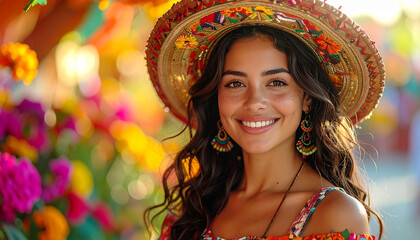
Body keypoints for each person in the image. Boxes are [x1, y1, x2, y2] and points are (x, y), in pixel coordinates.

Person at [144, 0, 385, 239]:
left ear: (307, 98)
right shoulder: (199, 204)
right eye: (235, 83)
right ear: (216, 98)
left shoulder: (335, 214)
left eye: (276, 82)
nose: (254, 102)